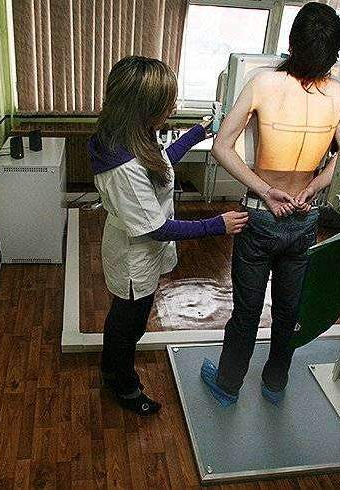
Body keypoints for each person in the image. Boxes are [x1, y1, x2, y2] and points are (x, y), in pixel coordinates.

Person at [88, 56, 296, 416]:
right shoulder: (122, 166)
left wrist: (198, 133)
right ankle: (123, 386)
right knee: (128, 322)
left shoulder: (130, 135)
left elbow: (160, 164)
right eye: (167, 103)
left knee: (127, 317)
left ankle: (112, 369)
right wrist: (216, 225)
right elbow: (156, 227)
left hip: (140, 249)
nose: (173, 107)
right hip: (134, 255)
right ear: (144, 107)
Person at [201, 2, 340, 406]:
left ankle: (228, 385)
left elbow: (222, 146)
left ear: (292, 42)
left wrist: (265, 191)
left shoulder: (262, 83)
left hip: (261, 214)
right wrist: (315, 186)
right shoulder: (338, 93)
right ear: (334, 53)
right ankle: (274, 383)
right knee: (289, 310)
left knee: (247, 312)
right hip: (304, 215)